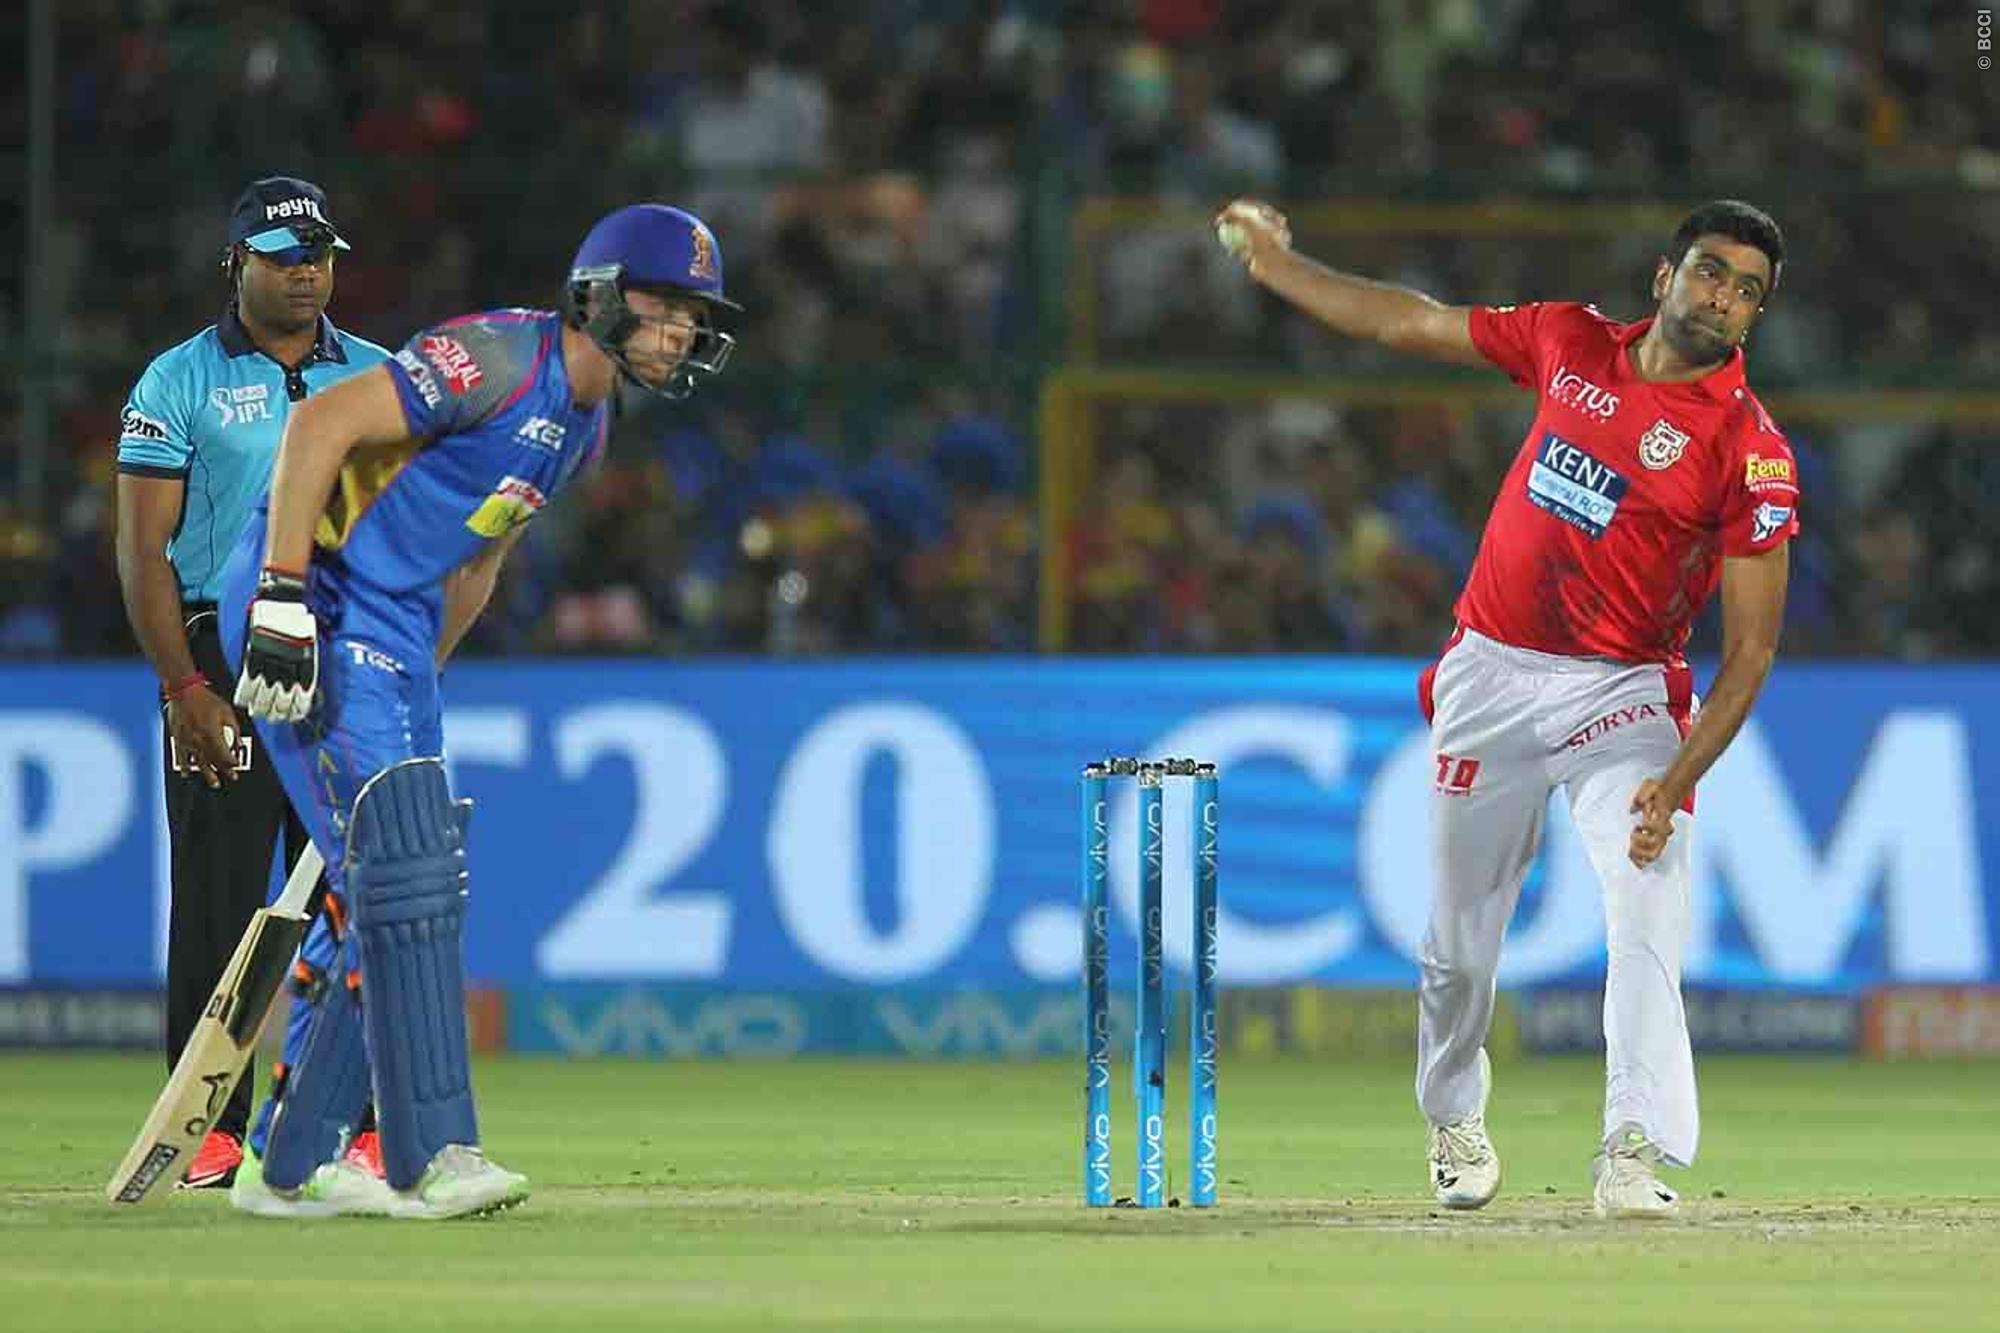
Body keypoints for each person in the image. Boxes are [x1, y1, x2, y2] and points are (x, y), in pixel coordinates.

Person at [1215, 197, 1796, 1219]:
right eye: (1711, 271)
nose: (1724, 297)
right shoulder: (1567, 339)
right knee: (1456, 939)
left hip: (1623, 691)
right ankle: (1453, 1117)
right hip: (1489, 672)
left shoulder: (1749, 450)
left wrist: (1675, 780)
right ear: (1664, 278)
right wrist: (1278, 264)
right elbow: (1407, 320)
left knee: (1648, 897)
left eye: (1747, 290)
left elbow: (1749, 651)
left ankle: (1631, 1147)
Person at [217, 202, 740, 1218]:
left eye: (693, 316)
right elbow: (320, 424)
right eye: (665, 305)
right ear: (599, 295)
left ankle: (287, 1163)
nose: (681, 331)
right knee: (403, 871)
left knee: (399, 874)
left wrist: (419, 680)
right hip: (321, 590)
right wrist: (279, 593)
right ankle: (431, 1157)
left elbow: (480, 553)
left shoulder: (585, 429)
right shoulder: (496, 357)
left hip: (399, 630)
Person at [114, 176, 391, 1189]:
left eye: (317, 254)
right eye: (282, 256)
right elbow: (142, 551)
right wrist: (184, 686)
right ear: (235, 262)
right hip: (220, 660)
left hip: (344, 650)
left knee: (362, 897)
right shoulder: (177, 380)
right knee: (219, 900)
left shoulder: (377, 375)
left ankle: (365, 1125)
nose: (305, 272)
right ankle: (209, 1128)